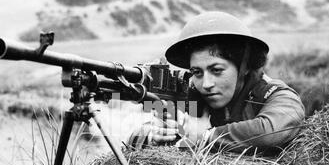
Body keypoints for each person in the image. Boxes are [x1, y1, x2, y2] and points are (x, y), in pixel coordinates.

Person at [128, 11, 305, 154]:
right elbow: (133, 137)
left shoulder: (278, 96)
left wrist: (203, 137)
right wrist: (153, 135)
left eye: (217, 70)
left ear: (244, 66)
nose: (206, 84)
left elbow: (270, 133)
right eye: (197, 72)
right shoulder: (194, 98)